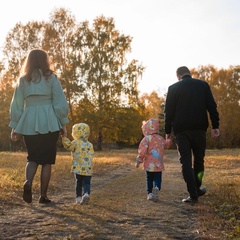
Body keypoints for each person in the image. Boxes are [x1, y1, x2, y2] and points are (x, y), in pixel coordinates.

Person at [9, 49, 69, 204]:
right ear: (45, 60)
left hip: (29, 122)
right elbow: (59, 102)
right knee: (47, 161)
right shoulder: (51, 78)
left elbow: (16, 105)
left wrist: (14, 126)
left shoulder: (23, 80)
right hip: (49, 121)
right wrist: (63, 122)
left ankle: (28, 181)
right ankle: (43, 196)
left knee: (32, 157)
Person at [164, 66, 220, 204]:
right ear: (190, 73)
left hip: (181, 131)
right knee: (199, 160)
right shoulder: (202, 85)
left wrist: (167, 132)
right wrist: (215, 126)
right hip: (199, 130)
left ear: (178, 76)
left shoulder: (173, 88)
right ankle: (197, 187)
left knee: (186, 162)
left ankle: (193, 193)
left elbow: (168, 113)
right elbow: (212, 106)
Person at [135, 118, 172, 201]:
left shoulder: (146, 139)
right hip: (158, 165)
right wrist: (169, 140)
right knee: (158, 179)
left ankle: (150, 193)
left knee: (149, 179)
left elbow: (142, 151)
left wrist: (139, 160)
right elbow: (166, 145)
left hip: (149, 165)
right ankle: (157, 188)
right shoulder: (160, 139)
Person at [62, 123, 94, 204]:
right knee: (87, 183)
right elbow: (91, 154)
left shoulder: (75, 142)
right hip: (88, 168)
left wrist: (64, 138)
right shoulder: (90, 144)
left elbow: (69, 147)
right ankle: (86, 193)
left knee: (78, 183)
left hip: (78, 167)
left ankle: (78, 197)